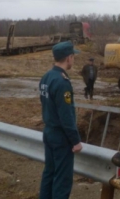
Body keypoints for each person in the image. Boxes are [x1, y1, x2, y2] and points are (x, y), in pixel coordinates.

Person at [39, 41, 83, 199]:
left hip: (49, 132)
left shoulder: (47, 76)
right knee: (62, 179)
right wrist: (75, 140)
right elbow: (66, 115)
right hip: (60, 137)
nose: (73, 60)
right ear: (69, 58)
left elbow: (45, 104)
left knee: (49, 173)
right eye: (73, 56)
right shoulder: (62, 82)